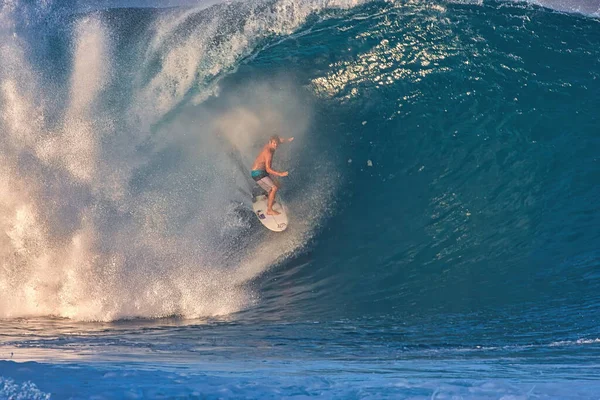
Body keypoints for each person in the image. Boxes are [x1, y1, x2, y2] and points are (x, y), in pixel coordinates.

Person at [251, 134, 294, 215]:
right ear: (270, 142)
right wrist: (280, 174)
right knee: (274, 188)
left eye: (276, 143)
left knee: (277, 184)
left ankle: (268, 197)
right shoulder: (268, 153)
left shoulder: (274, 144)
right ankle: (269, 210)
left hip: (262, 171)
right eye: (274, 143)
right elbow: (268, 169)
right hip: (257, 173)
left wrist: (287, 140)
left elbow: (280, 140)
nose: (275, 145)